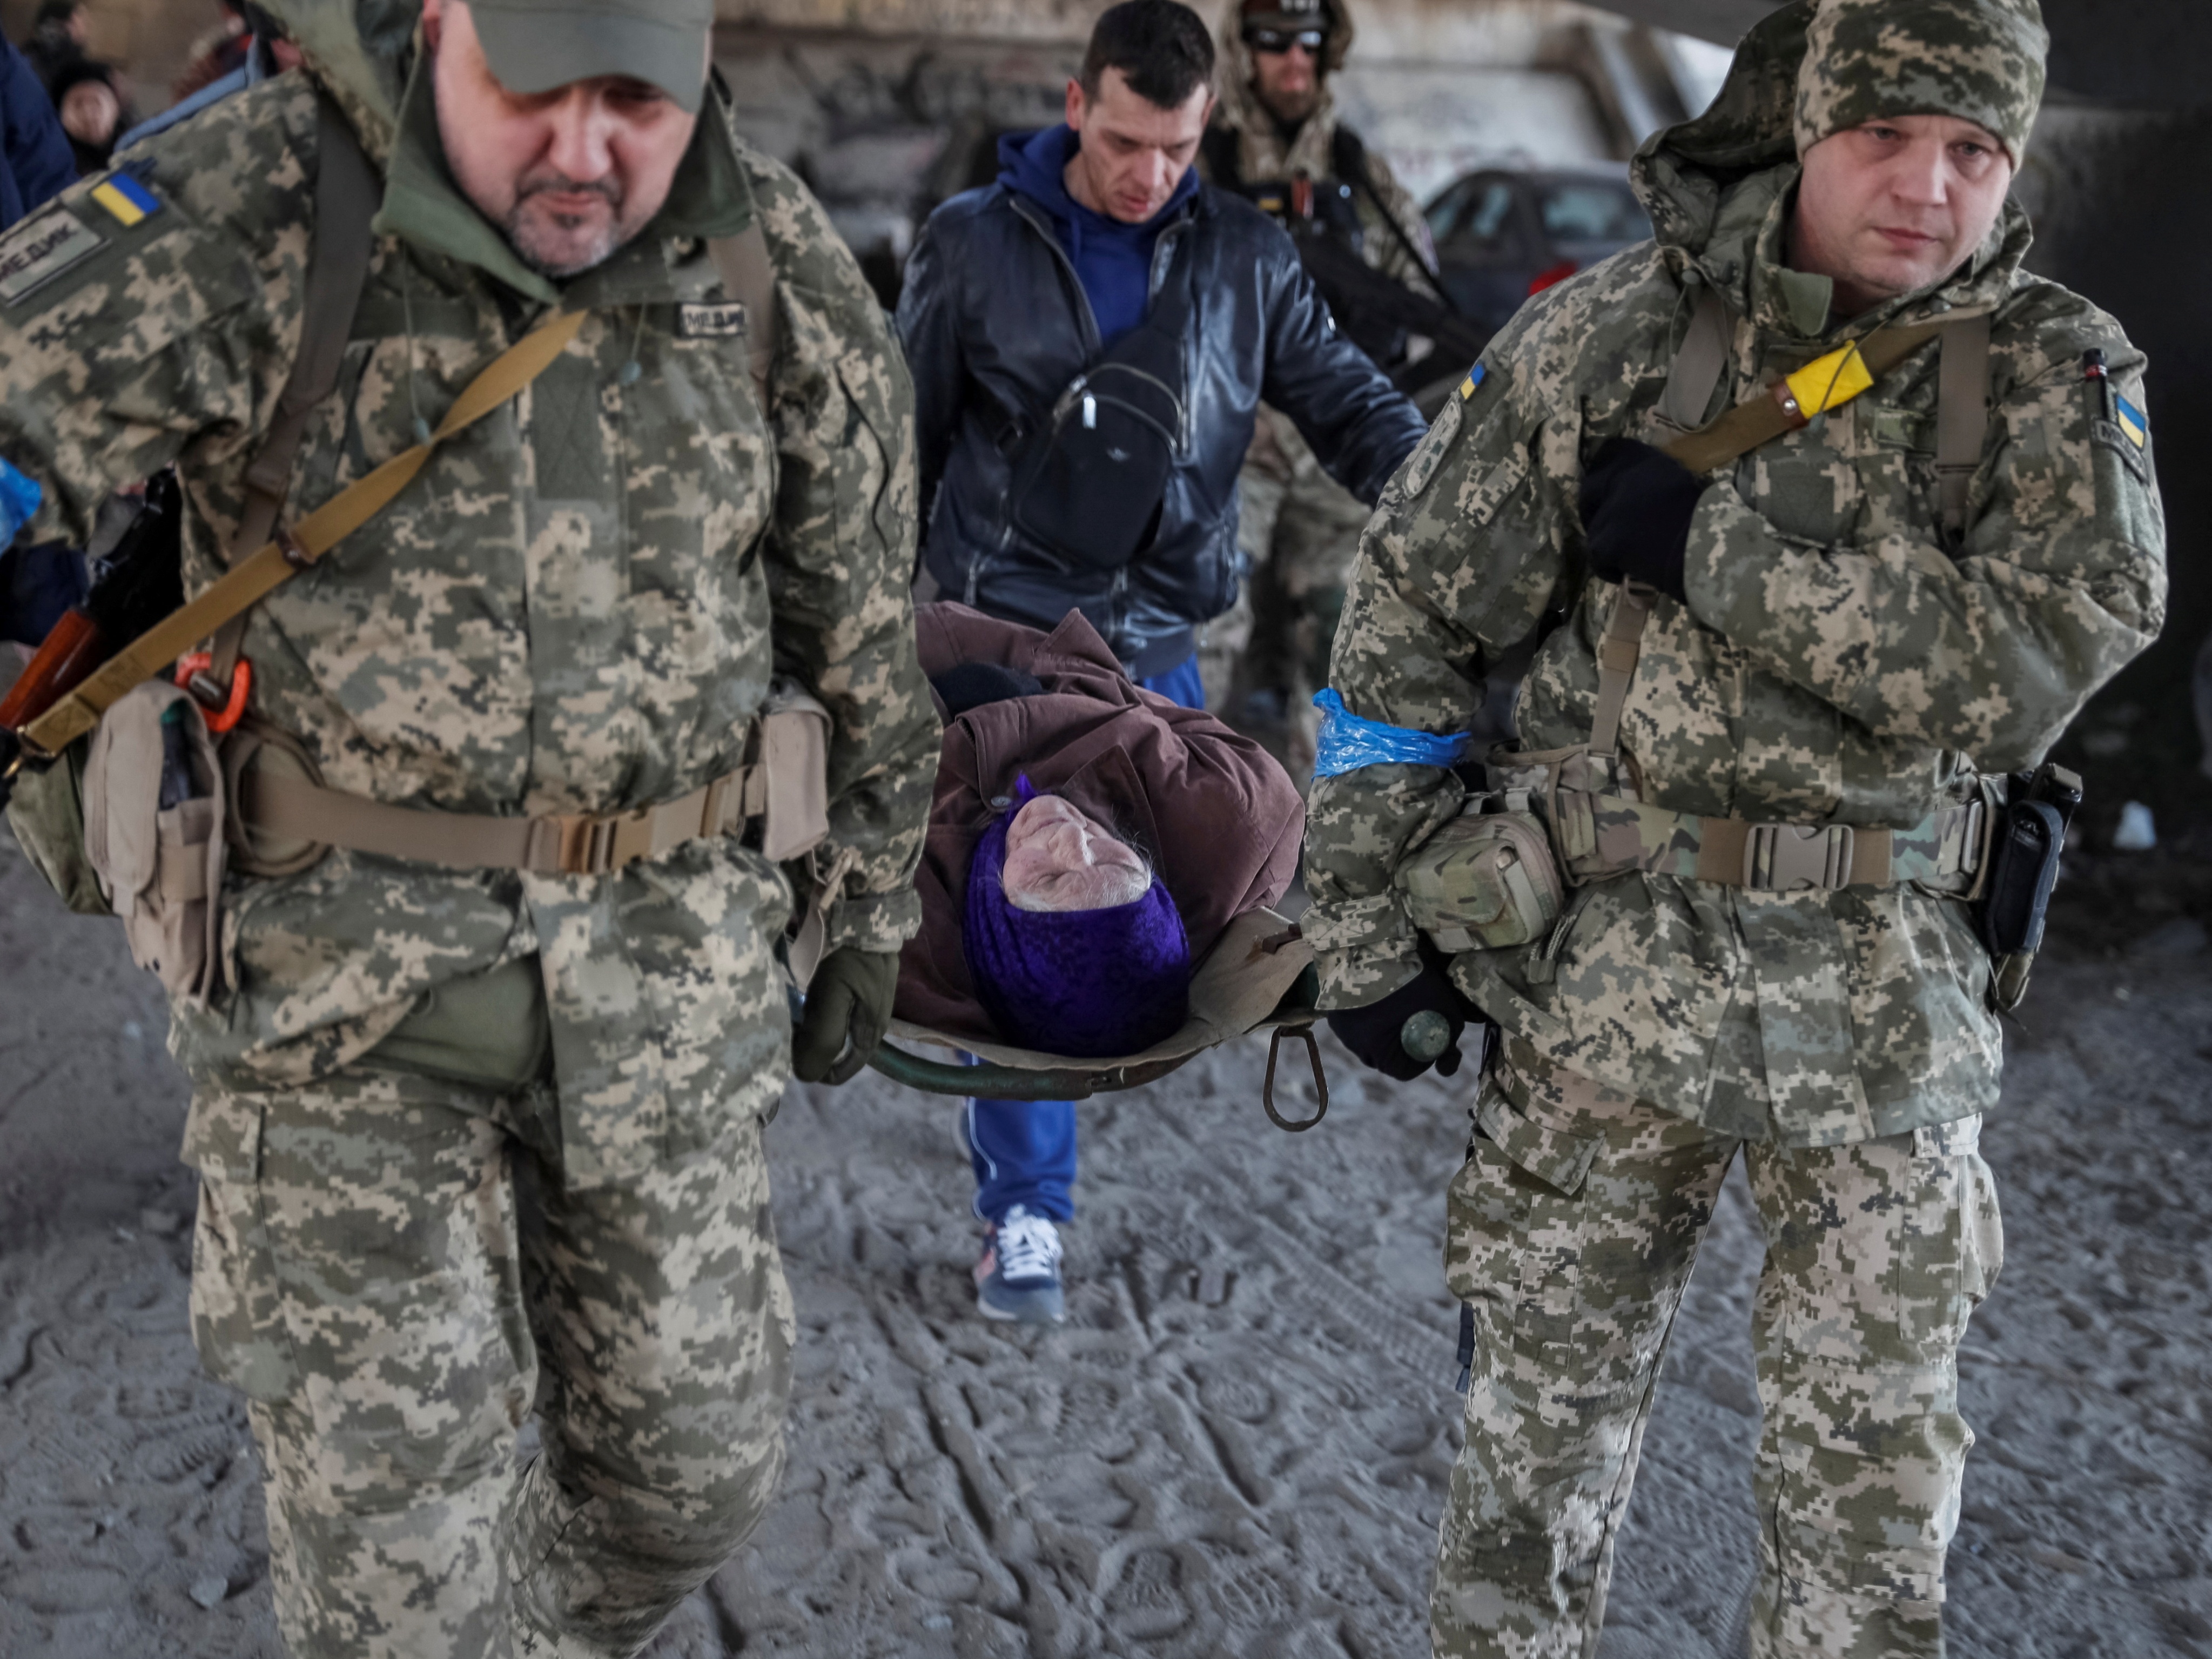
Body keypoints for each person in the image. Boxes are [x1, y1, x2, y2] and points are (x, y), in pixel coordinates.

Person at [0, 0, 938, 1653]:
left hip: (663, 1000)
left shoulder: (764, 262)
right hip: (338, 1015)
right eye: (534, 90)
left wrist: (867, 900)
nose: (586, 154)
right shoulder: (253, 210)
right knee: (401, 1604)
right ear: (440, 26)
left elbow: (859, 622)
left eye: (634, 101)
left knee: (688, 1487)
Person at [1303, 1, 2166, 1654]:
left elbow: (2031, 663)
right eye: (1884, 139)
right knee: (1526, 1487)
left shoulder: (2055, 372)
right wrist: (1357, 925)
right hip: (1602, 993)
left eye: (1976, 152)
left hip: (1887, 1028)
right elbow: (1407, 613)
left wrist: (1719, 550)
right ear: (1803, 132)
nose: (1928, 188)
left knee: (1867, 1529)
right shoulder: (1614, 339)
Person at [894, 0, 1422, 1323]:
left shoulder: (1243, 252)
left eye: (1178, 151)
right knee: (1023, 926)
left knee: (1190, 915)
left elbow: (1348, 402)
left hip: (1162, 651)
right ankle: (1025, 1209)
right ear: (1078, 107)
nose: (1150, 177)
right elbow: (897, 455)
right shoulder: (969, 246)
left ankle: (1065, 1139)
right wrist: (869, 641)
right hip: (1010, 652)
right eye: (1127, 142)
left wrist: (1466, 493)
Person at [899, 601, 1303, 1322]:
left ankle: (1024, 1199)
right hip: (1100, 621)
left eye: (1049, 880)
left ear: (999, 924)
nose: (1071, 836)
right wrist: (1059, 715)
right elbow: (1209, 757)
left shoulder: (917, 922)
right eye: (1113, 855)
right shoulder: (1228, 816)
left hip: (1065, 599)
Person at [1203, 0, 1442, 771]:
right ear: (1242, 53)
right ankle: (1175, 815)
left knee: (1340, 650)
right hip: (1232, 446)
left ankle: (1321, 840)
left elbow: (1421, 305)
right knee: (1203, 626)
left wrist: (1364, 333)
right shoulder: (1202, 166)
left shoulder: (1355, 172)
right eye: (1272, 43)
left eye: (1306, 42)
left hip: (1333, 458)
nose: (1293, 61)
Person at [46, 55, 129, 175]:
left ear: (115, 107)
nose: (88, 114)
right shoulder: (51, 168)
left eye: (96, 102)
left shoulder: (143, 149)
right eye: (77, 105)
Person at [18, 0, 86, 100]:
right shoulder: (33, 61)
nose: (84, 27)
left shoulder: (72, 59)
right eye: (79, 21)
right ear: (64, 26)